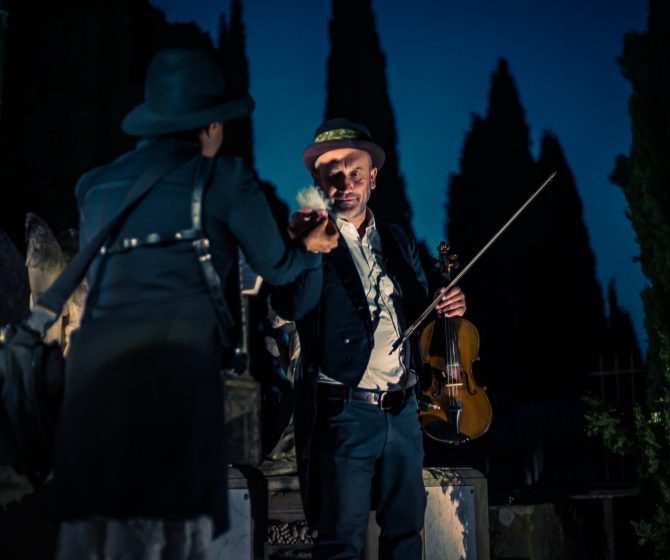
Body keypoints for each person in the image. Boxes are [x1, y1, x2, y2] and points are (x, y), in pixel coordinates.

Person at [52, 48, 337, 559]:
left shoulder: (94, 186)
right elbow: (279, 269)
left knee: (96, 539)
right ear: (209, 125)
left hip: (94, 385)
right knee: (173, 540)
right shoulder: (226, 180)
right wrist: (311, 248)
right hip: (174, 380)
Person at [271, 118, 467, 559]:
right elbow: (290, 307)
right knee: (340, 539)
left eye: (355, 172)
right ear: (317, 181)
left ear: (373, 178)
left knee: (405, 534)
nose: (346, 183)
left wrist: (447, 303)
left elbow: (421, 307)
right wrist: (307, 249)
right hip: (343, 412)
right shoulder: (306, 239)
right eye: (333, 174)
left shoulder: (397, 239)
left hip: (402, 411)